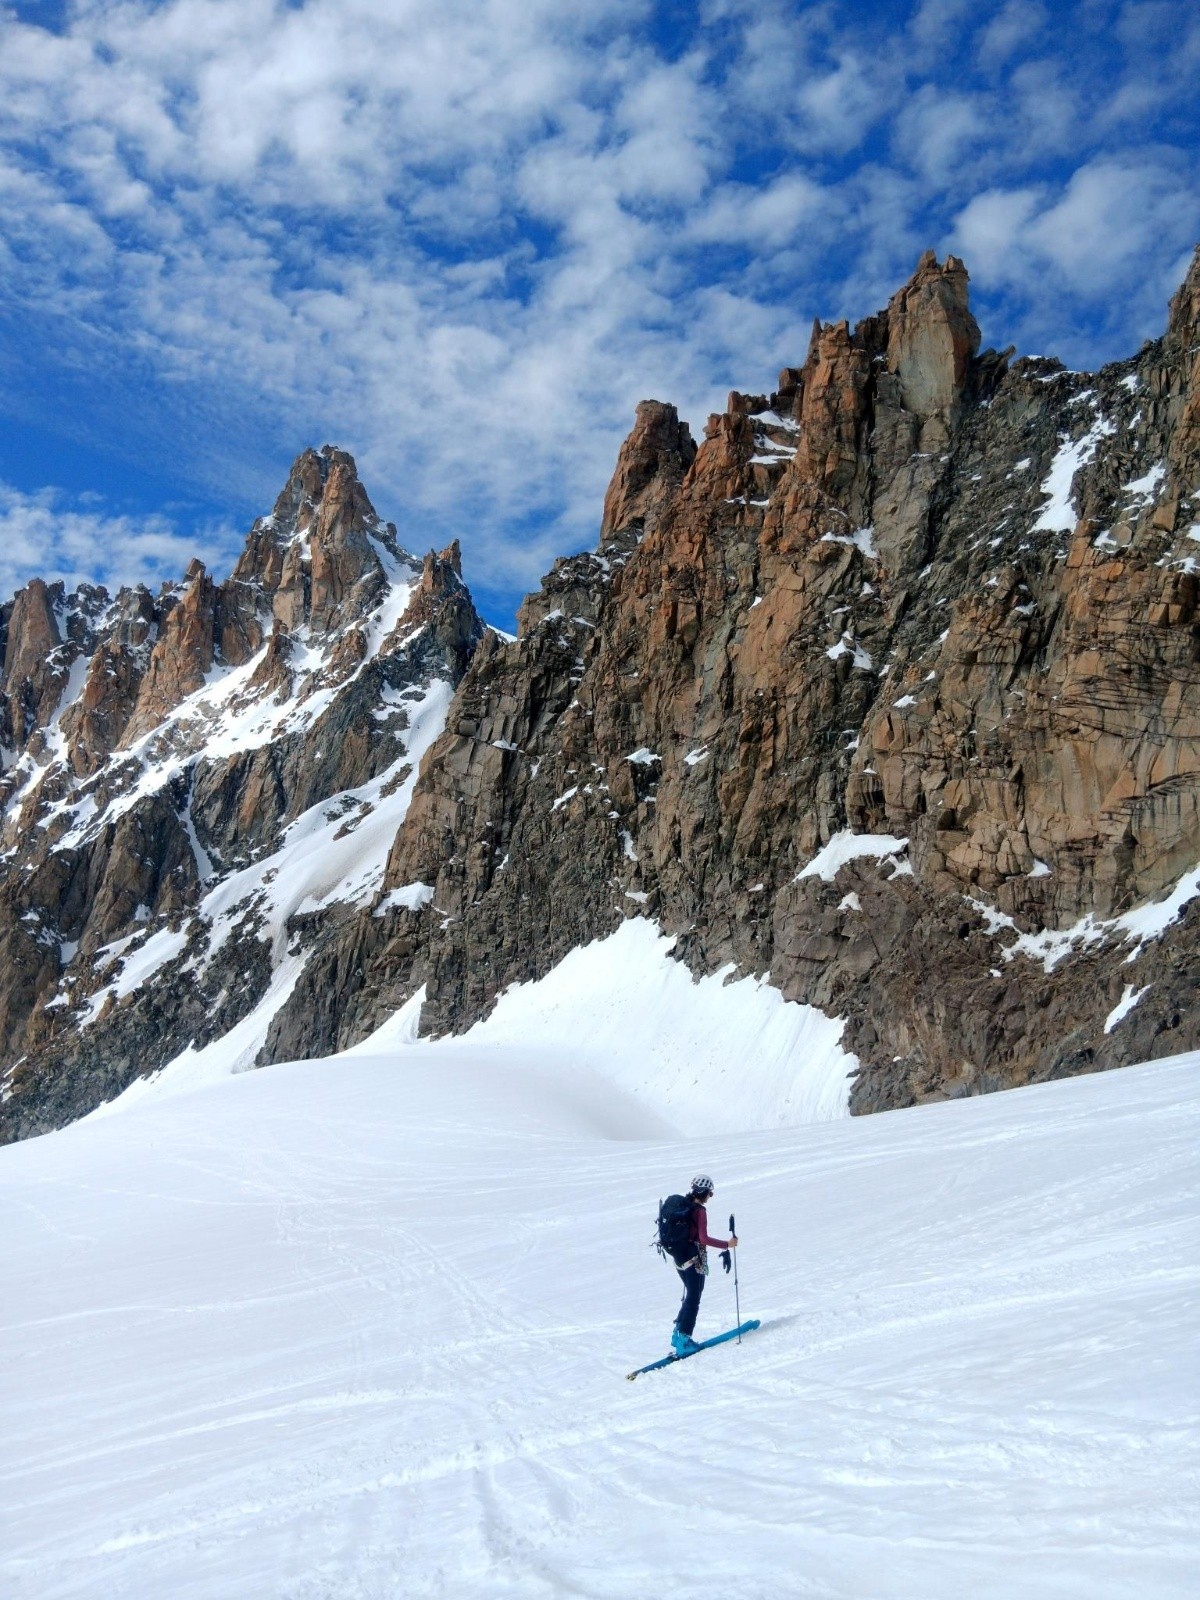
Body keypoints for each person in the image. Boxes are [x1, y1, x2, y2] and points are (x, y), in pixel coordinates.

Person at [671, 1174, 737, 1355]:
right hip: (694, 1257)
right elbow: (703, 1238)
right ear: (704, 1191)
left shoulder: (683, 1204)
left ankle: (677, 1335)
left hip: (678, 1257)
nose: (710, 1197)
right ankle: (684, 1340)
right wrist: (727, 1244)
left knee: (691, 1295)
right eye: (710, 1193)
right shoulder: (699, 1211)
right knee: (694, 1298)